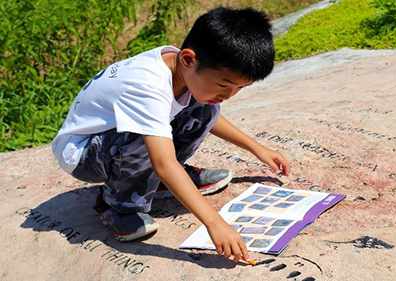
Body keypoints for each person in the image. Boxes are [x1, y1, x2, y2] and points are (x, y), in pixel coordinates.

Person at [52, 6, 290, 263]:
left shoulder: (182, 67)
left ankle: (157, 182)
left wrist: (256, 148)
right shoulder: (147, 86)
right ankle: (120, 205)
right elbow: (163, 162)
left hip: (115, 143)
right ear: (188, 59)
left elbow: (211, 117)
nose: (229, 94)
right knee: (145, 137)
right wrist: (215, 223)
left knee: (206, 108)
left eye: (239, 88)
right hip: (84, 154)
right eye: (224, 84)